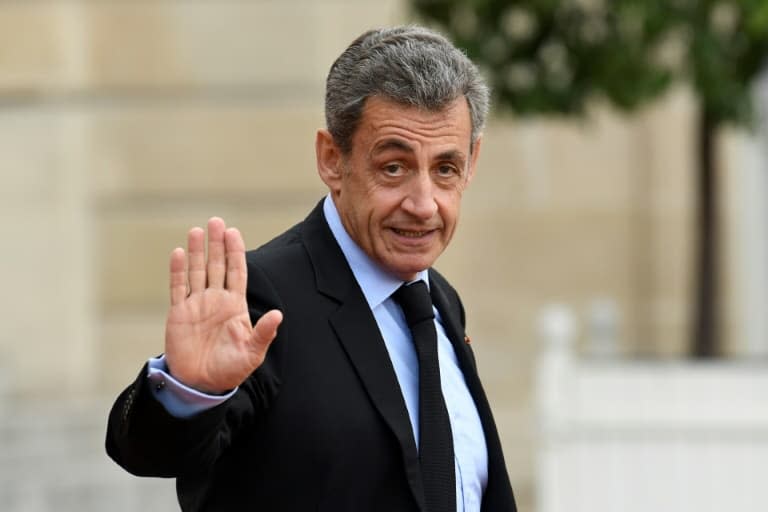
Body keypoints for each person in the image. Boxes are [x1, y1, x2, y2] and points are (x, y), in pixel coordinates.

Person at [106, 25, 517, 512]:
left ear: (472, 164)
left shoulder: (439, 301)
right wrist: (190, 390)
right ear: (331, 160)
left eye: (445, 169)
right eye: (393, 167)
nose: (424, 204)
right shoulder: (263, 297)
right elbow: (150, 452)